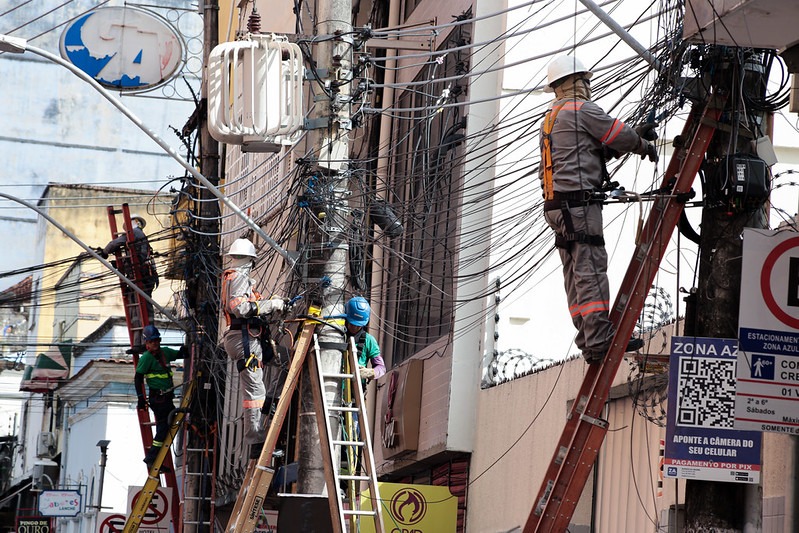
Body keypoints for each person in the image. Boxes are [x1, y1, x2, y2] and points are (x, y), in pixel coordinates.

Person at [539, 55, 657, 363]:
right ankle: (600, 338)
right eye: (585, 81)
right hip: (578, 206)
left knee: (575, 275)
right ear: (575, 82)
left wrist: (628, 141)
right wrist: (642, 143)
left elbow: (590, 150)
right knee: (590, 270)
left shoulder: (552, 117)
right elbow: (617, 134)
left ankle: (588, 340)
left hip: (556, 207)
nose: (588, 86)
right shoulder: (581, 110)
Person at [220, 238, 285, 457]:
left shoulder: (236, 278)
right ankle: (256, 443)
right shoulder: (238, 277)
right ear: (250, 259)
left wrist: (270, 303)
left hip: (245, 338)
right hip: (243, 339)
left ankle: (269, 408)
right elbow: (242, 309)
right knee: (254, 393)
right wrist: (271, 305)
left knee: (280, 363)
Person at [134, 324, 185, 468]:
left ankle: (154, 458)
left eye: (156, 340)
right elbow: (138, 378)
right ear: (146, 343)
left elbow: (180, 354)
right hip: (158, 397)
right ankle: (152, 457)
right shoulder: (146, 358)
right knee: (164, 426)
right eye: (151, 341)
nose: (154, 343)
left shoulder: (165, 353)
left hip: (166, 397)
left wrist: (187, 348)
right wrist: (140, 397)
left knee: (168, 424)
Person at [100, 213, 159, 324]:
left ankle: (144, 329)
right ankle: (143, 327)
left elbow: (115, 243)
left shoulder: (135, 233)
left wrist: (104, 252)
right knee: (140, 302)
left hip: (141, 274)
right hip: (144, 275)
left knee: (141, 304)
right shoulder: (140, 235)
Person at [344, 297, 386, 382]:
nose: (354, 327)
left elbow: (381, 368)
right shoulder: (336, 334)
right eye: (352, 324)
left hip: (354, 391)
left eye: (358, 325)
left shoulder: (369, 340)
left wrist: (370, 372)